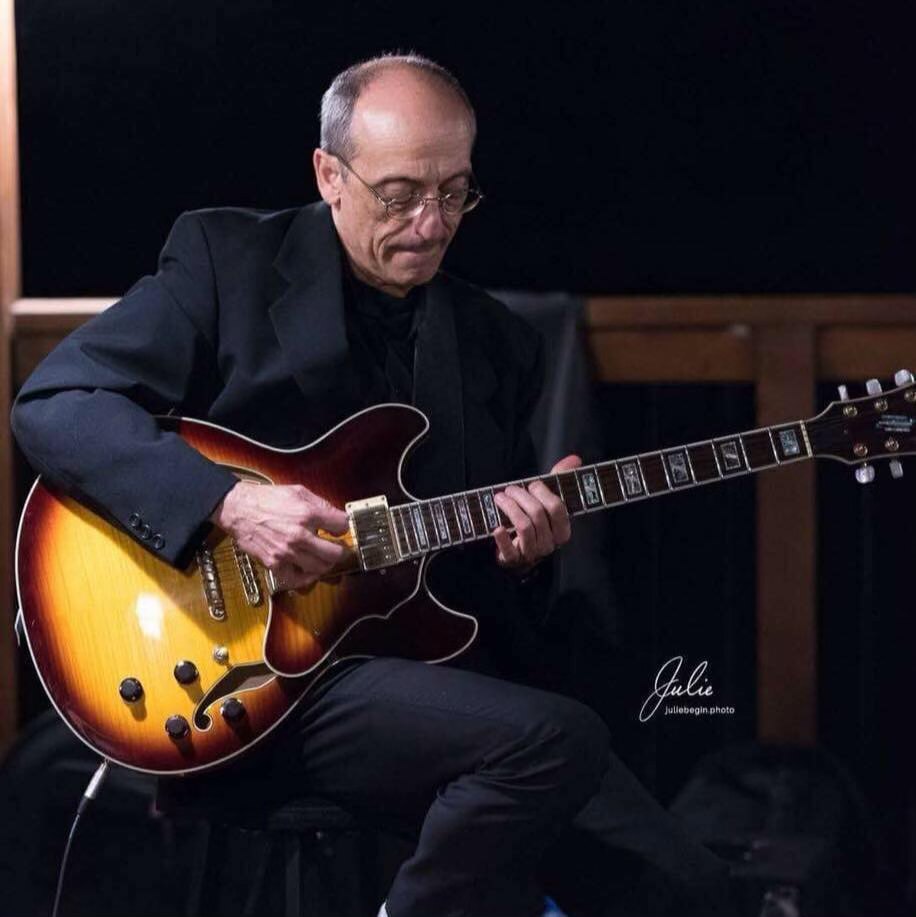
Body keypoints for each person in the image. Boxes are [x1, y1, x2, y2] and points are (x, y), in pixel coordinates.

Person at [11, 54, 731, 917]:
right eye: (399, 195)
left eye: (455, 192)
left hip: (414, 677)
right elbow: (55, 403)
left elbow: (484, 607)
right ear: (329, 175)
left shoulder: (497, 342)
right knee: (552, 738)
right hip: (247, 680)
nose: (432, 223)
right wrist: (228, 502)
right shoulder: (224, 261)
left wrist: (524, 557)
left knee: (693, 887)